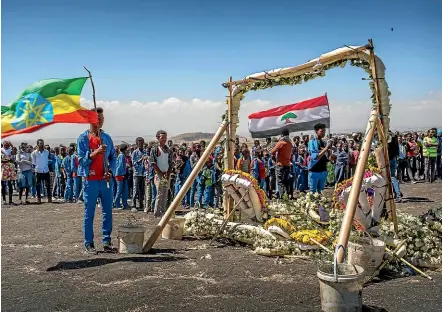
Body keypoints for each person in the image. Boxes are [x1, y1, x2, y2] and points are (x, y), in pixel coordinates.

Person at [77, 107, 116, 254]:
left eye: (102, 119)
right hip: (90, 181)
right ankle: (89, 243)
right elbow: (81, 161)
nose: (101, 121)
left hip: (105, 180)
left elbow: (113, 157)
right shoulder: (83, 138)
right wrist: (96, 152)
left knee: (108, 212)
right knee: (89, 213)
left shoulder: (107, 138)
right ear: (90, 120)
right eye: (98, 119)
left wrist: (110, 171)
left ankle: (107, 241)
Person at [150, 130, 173, 217]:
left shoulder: (168, 150)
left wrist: (168, 173)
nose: (164, 139)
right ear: (158, 138)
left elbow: (171, 163)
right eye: (162, 137)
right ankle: (157, 212)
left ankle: (163, 211)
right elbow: (153, 163)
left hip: (166, 174)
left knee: (165, 193)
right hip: (159, 174)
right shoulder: (155, 149)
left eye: (165, 138)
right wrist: (160, 173)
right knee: (159, 193)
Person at [308, 123, 331, 193]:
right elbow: (315, 157)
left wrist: (331, 154)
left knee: (321, 191)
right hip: (314, 169)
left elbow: (327, 157)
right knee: (312, 192)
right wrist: (326, 148)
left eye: (324, 131)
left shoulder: (324, 142)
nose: (324, 133)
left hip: (323, 170)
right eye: (322, 131)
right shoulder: (311, 142)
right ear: (316, 131)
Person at [271, 129, 293, 198]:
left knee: (280, 182)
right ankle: (287, 196)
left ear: (282, 135)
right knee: (286, 181)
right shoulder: (290, 143)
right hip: (288, 165)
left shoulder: (281, 142)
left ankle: (283, 198)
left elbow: (272, 152)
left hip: (280, 165)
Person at [31, 139, 52, 204]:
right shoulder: (34, 153)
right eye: (40, 143)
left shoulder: (47, 152)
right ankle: (39, 198)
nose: (42, 144)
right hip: (38, 170)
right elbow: (33, 162)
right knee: (38, 185)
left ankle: (49, 198)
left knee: (48, 185)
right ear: (37, 144)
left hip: (46, 170)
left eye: (42, 143)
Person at [131, 137, 148, 210]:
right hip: (137, 173)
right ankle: (133, 205)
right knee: (135, 189)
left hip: (143, 173)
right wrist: (141, 159)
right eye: (139, 143)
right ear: (137, 143)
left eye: (142, 143)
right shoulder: (135, 152)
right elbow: (134, 163)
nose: (140, 144)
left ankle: (141, 204)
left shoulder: (145, 152)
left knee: (142, 190)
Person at [114, 143, 130, 209]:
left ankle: (124, 203)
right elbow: (120, 166)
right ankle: (117, 203)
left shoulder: (123, 155)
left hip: (122, 174)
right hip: (120, 174)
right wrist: (123, 173)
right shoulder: (121, 156)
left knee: (125, 190)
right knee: (119, 190)